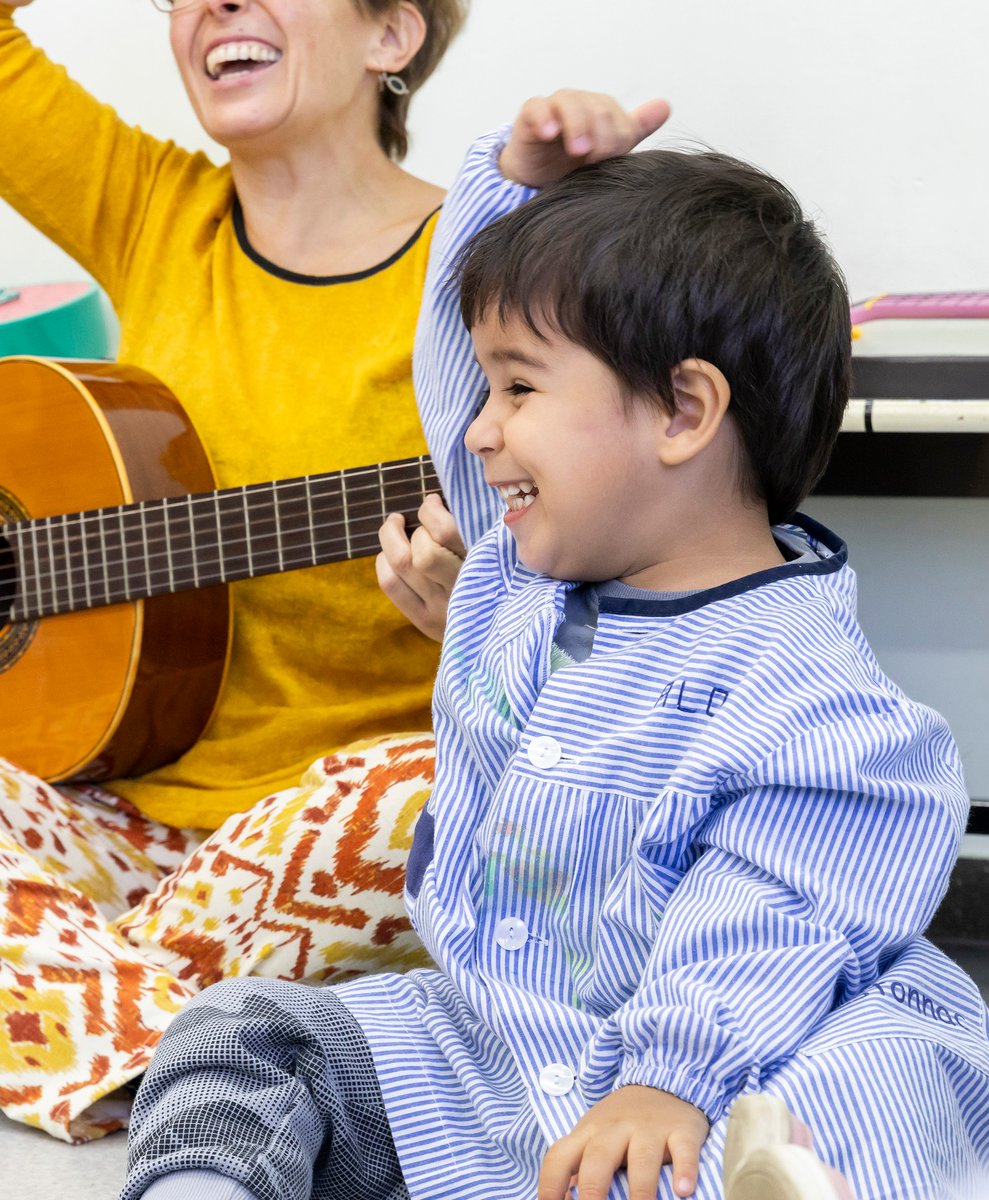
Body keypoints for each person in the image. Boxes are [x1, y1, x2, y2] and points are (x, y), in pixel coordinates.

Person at [115, 145, 989, 1200]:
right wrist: (510, 175)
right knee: (240, 1030)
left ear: (684, 413)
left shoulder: (810, 688)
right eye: (487, 387)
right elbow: (457, 377)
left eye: (521, 388)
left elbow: (778, 912)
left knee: (887, 1074)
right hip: (496, 1057)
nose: (482, 429)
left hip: (727, 1062)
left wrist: (670, 1080)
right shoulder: (515, 574)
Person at [0, 0, 661, 1144]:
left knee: (429, 802)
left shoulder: (499, 253)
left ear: (392, 36)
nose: (217, 5)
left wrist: (480, 622)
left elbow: (632, 587)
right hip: (127, 823)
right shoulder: (153, 210)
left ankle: (83, 1007)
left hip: (339, 826)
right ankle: (225, 1051)